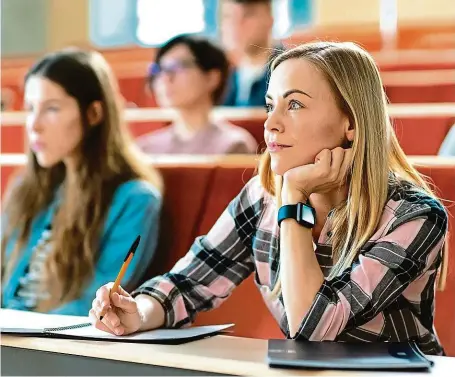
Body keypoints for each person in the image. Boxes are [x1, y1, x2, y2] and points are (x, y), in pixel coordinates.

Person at [90, 42, 448, 355]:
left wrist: (294, 201)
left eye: (294, 105)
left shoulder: (414, 215)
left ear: (350, 122)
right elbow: (188, 283)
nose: (271, 124)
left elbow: (313, 328)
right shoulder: (262, 197)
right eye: (269, 105)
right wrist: (139, 311)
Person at [1, 49, 163, 316]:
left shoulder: (135, 200)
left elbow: (96, 305)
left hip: (54, 343)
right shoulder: (26, 189)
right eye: (30, 108)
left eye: (51, 108)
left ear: (94, 114)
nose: (34, 125)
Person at [136, 35, 258, 155]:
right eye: (160, 69)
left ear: (212, 78)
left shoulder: (234, 145)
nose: (166, 78)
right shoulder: (146, 148)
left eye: (179, 66)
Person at [221, 0, 282, 107]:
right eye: (228, 16)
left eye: (248, 14)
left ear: (269, 19)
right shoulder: (222, 77)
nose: (236, 24)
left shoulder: (290, 72)